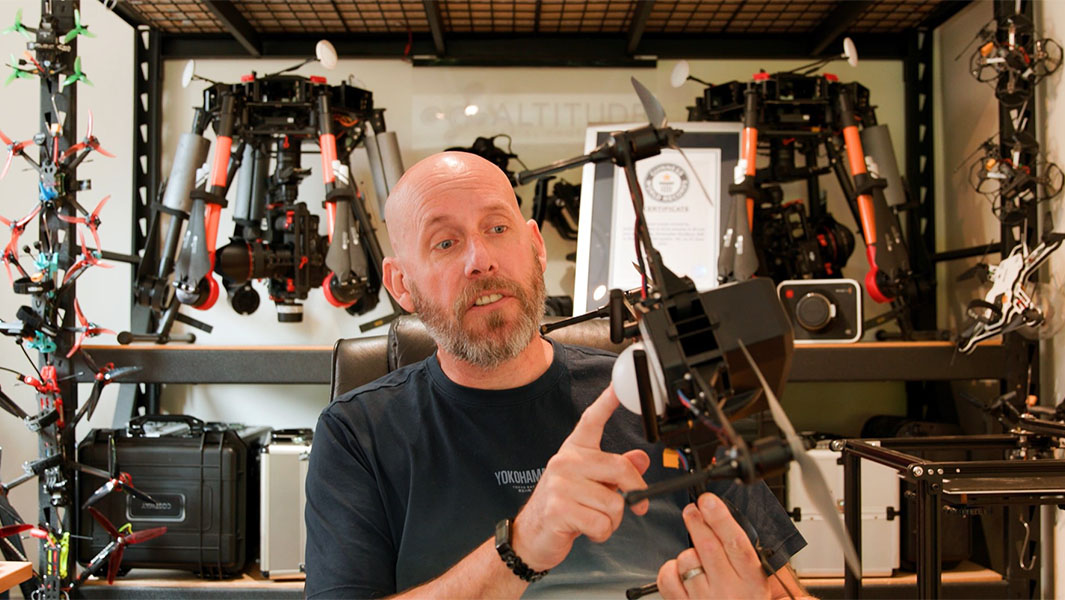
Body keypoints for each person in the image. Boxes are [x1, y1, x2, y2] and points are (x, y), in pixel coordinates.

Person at [304, 152, 808, 599]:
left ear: (536, 249)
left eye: (497, 229)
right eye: (445, 242)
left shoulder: (665, 392)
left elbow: (787, 591)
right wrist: (520, 545)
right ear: (401, 284)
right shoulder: (357, 433)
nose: (481, 261)